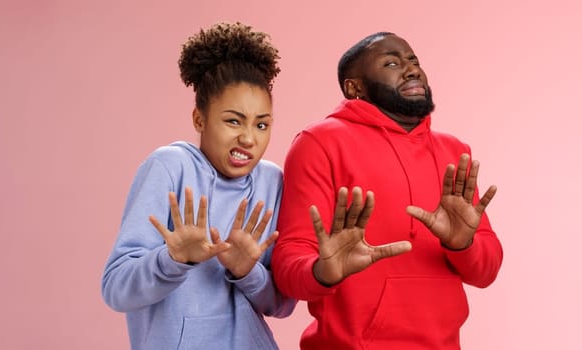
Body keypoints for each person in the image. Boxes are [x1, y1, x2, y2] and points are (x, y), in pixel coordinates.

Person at [272, 32, 502, 349]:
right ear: (355, 87)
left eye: (414, 61)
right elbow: (288, 264)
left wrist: (464, 244)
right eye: (392, 63)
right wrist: (322, 271)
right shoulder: (319, 143)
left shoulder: (454, 152)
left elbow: (486, 272)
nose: (411, 70)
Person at [101, 22, 295, 350]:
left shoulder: (271, 181)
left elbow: (281, 305)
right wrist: (173, 259)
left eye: (262, 124)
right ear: (199, 119)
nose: (248, 138)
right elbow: (116, 290)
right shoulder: (169, 166)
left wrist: (248, 271)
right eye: (233, 120)